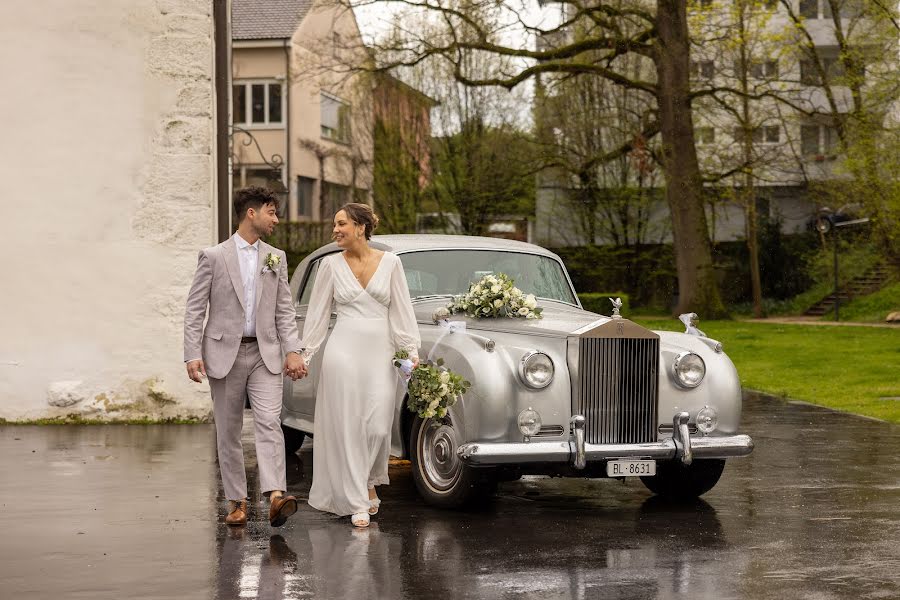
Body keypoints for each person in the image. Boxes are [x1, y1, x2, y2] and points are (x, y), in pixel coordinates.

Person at [183, 186, 308, 527]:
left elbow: (285, 309)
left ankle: (275, 496)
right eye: (272, 212)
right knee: (229, 430)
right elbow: (195, 309)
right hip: (224, 352)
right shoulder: (213, 256)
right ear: (251, 213)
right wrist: (192, 353)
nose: (276, 220)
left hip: (265, 353)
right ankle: (237, 501)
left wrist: (292, 349)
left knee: (269, 421)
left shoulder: (276, 257)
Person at [301, 203, 420, 528]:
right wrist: (306, 354)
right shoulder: (329, 265)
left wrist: (409, 350)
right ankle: (356, 498)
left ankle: (368, 480)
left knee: (378, 426)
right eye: (335, 225)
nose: (335, 230)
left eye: (341, 224)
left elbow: (401, 311)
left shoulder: (392, 263)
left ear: (361, 227)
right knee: (348, 426)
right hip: (343, 352)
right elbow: (318, 315)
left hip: (379, 353)